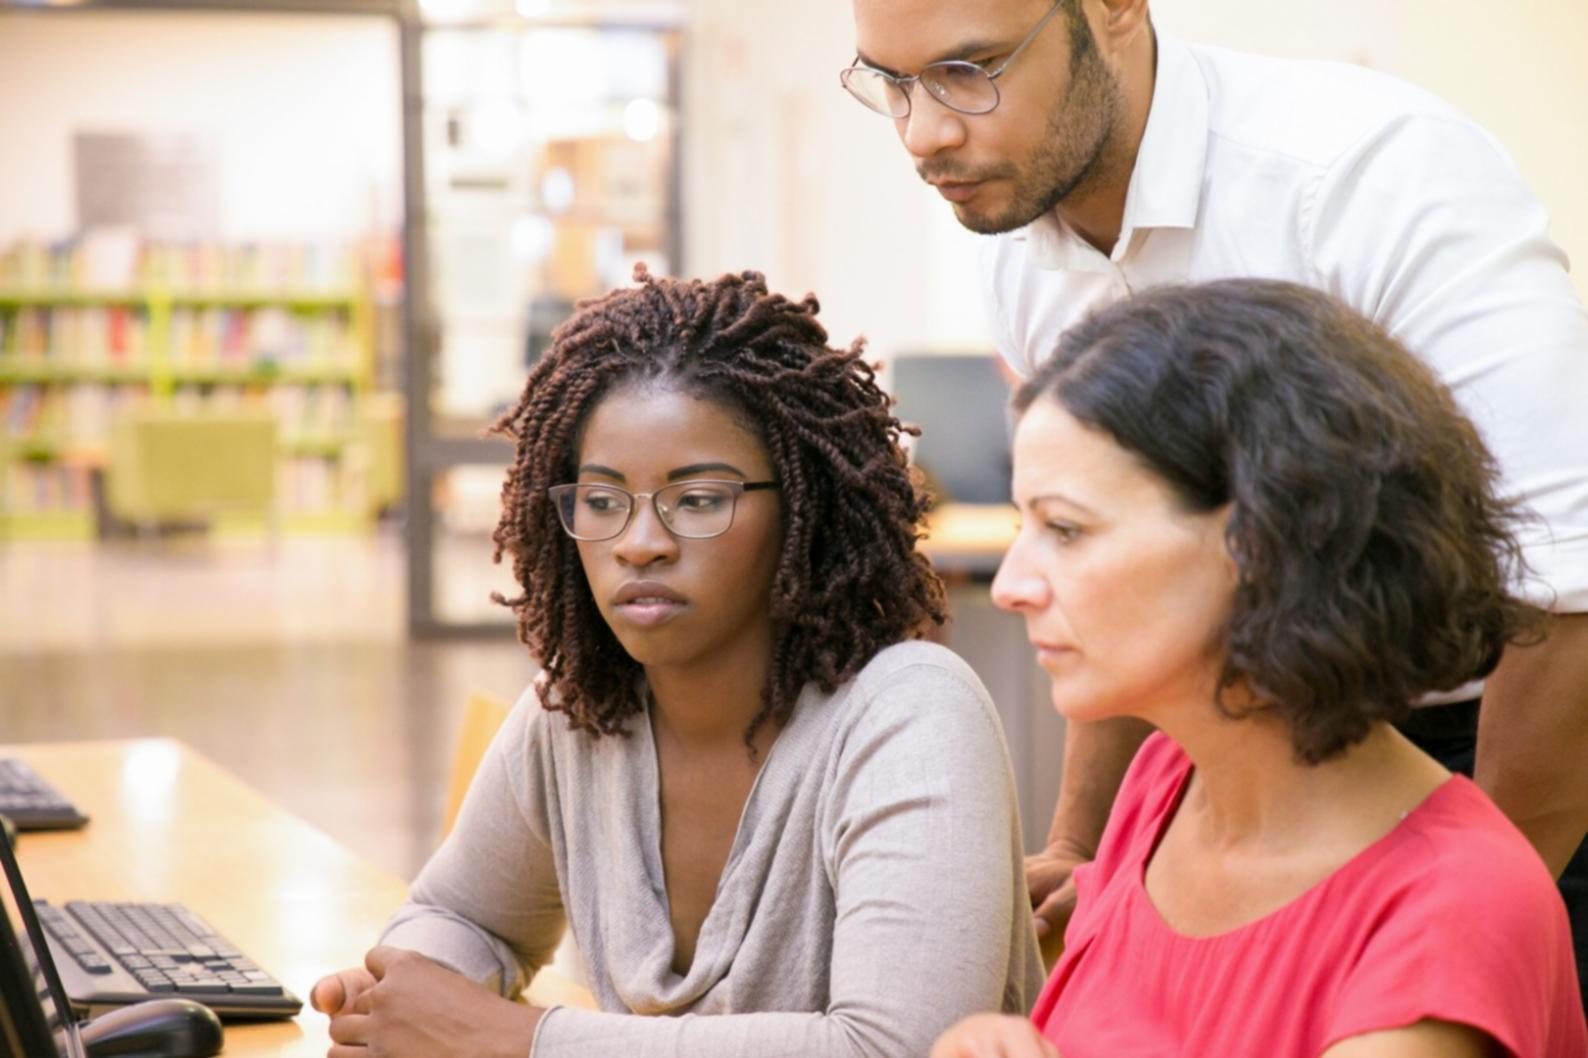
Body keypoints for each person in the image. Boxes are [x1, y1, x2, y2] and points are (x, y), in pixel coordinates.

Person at [841, 0, 1588, 991]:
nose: (924, 133)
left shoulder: (1370, 173)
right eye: (890, 85)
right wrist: (1082, 846)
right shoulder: (1013, 235)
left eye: (969, 70)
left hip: (1500, 748)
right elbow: (1109, 576)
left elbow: (1570, 589)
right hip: (1236, 754)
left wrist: (1470, 913)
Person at [308, 267, 1044, 1058]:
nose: (638, 542)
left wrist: (514, 1040)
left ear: (803, 509)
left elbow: (896, 1048)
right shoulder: (581, 712)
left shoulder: (912, 716)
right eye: (601, 500)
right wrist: (413, 986)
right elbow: (464, 915)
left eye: (697, 500)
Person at [931, 279, 1587, 1056]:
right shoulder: (1165, 784)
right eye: (1023, 525)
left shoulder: (1452, 908)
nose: (1010, 585)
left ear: (1263, 541)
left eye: (1066, 529)